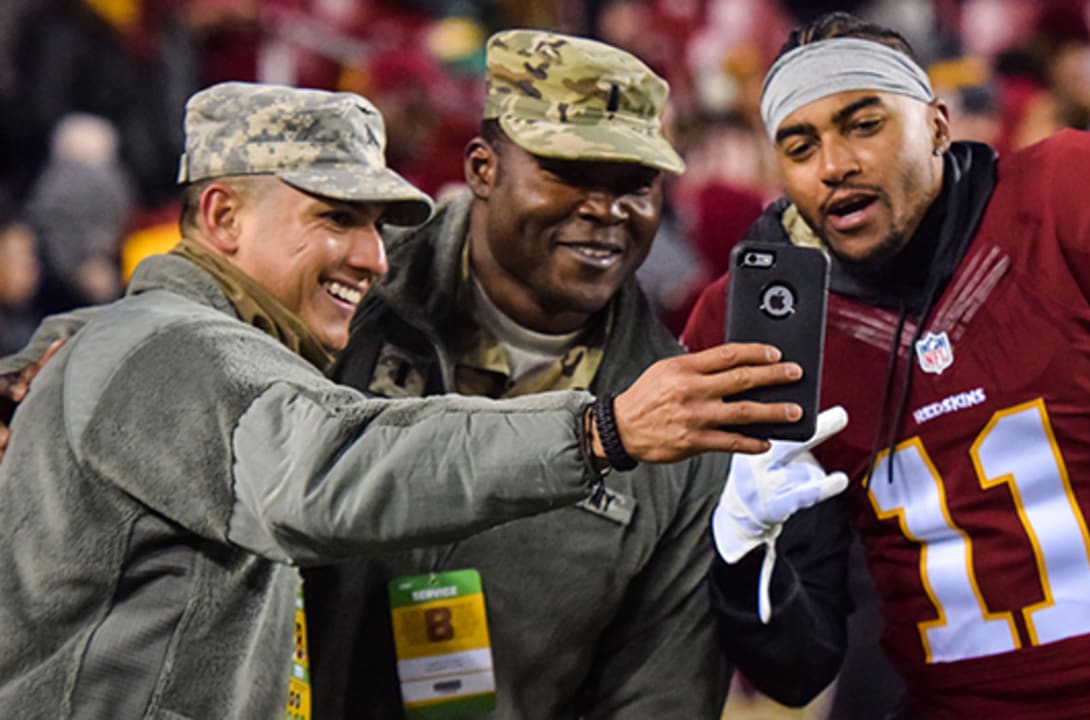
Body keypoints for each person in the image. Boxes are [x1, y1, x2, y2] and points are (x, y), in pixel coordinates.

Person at [0, 81, 803, 718]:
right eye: (336, 218)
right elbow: (330, 466)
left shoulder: (193, 341)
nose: (372, 257)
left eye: (379, 225)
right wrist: (603, 430)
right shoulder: (186, 348)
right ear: (222, 216)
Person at [682, 12, 1090, 718]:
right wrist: (744, 549)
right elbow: (799, 668)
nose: (834, 163)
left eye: (864, 124)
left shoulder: (1086, 204)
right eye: (800, 143)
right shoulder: (773, 328)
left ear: (938, 125)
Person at [297, 29, 830, 719]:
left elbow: (657, 694)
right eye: (569, 173)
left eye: (634, 187)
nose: (606, 211)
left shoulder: (679, 421)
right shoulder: (350, 297)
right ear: (484, 168)